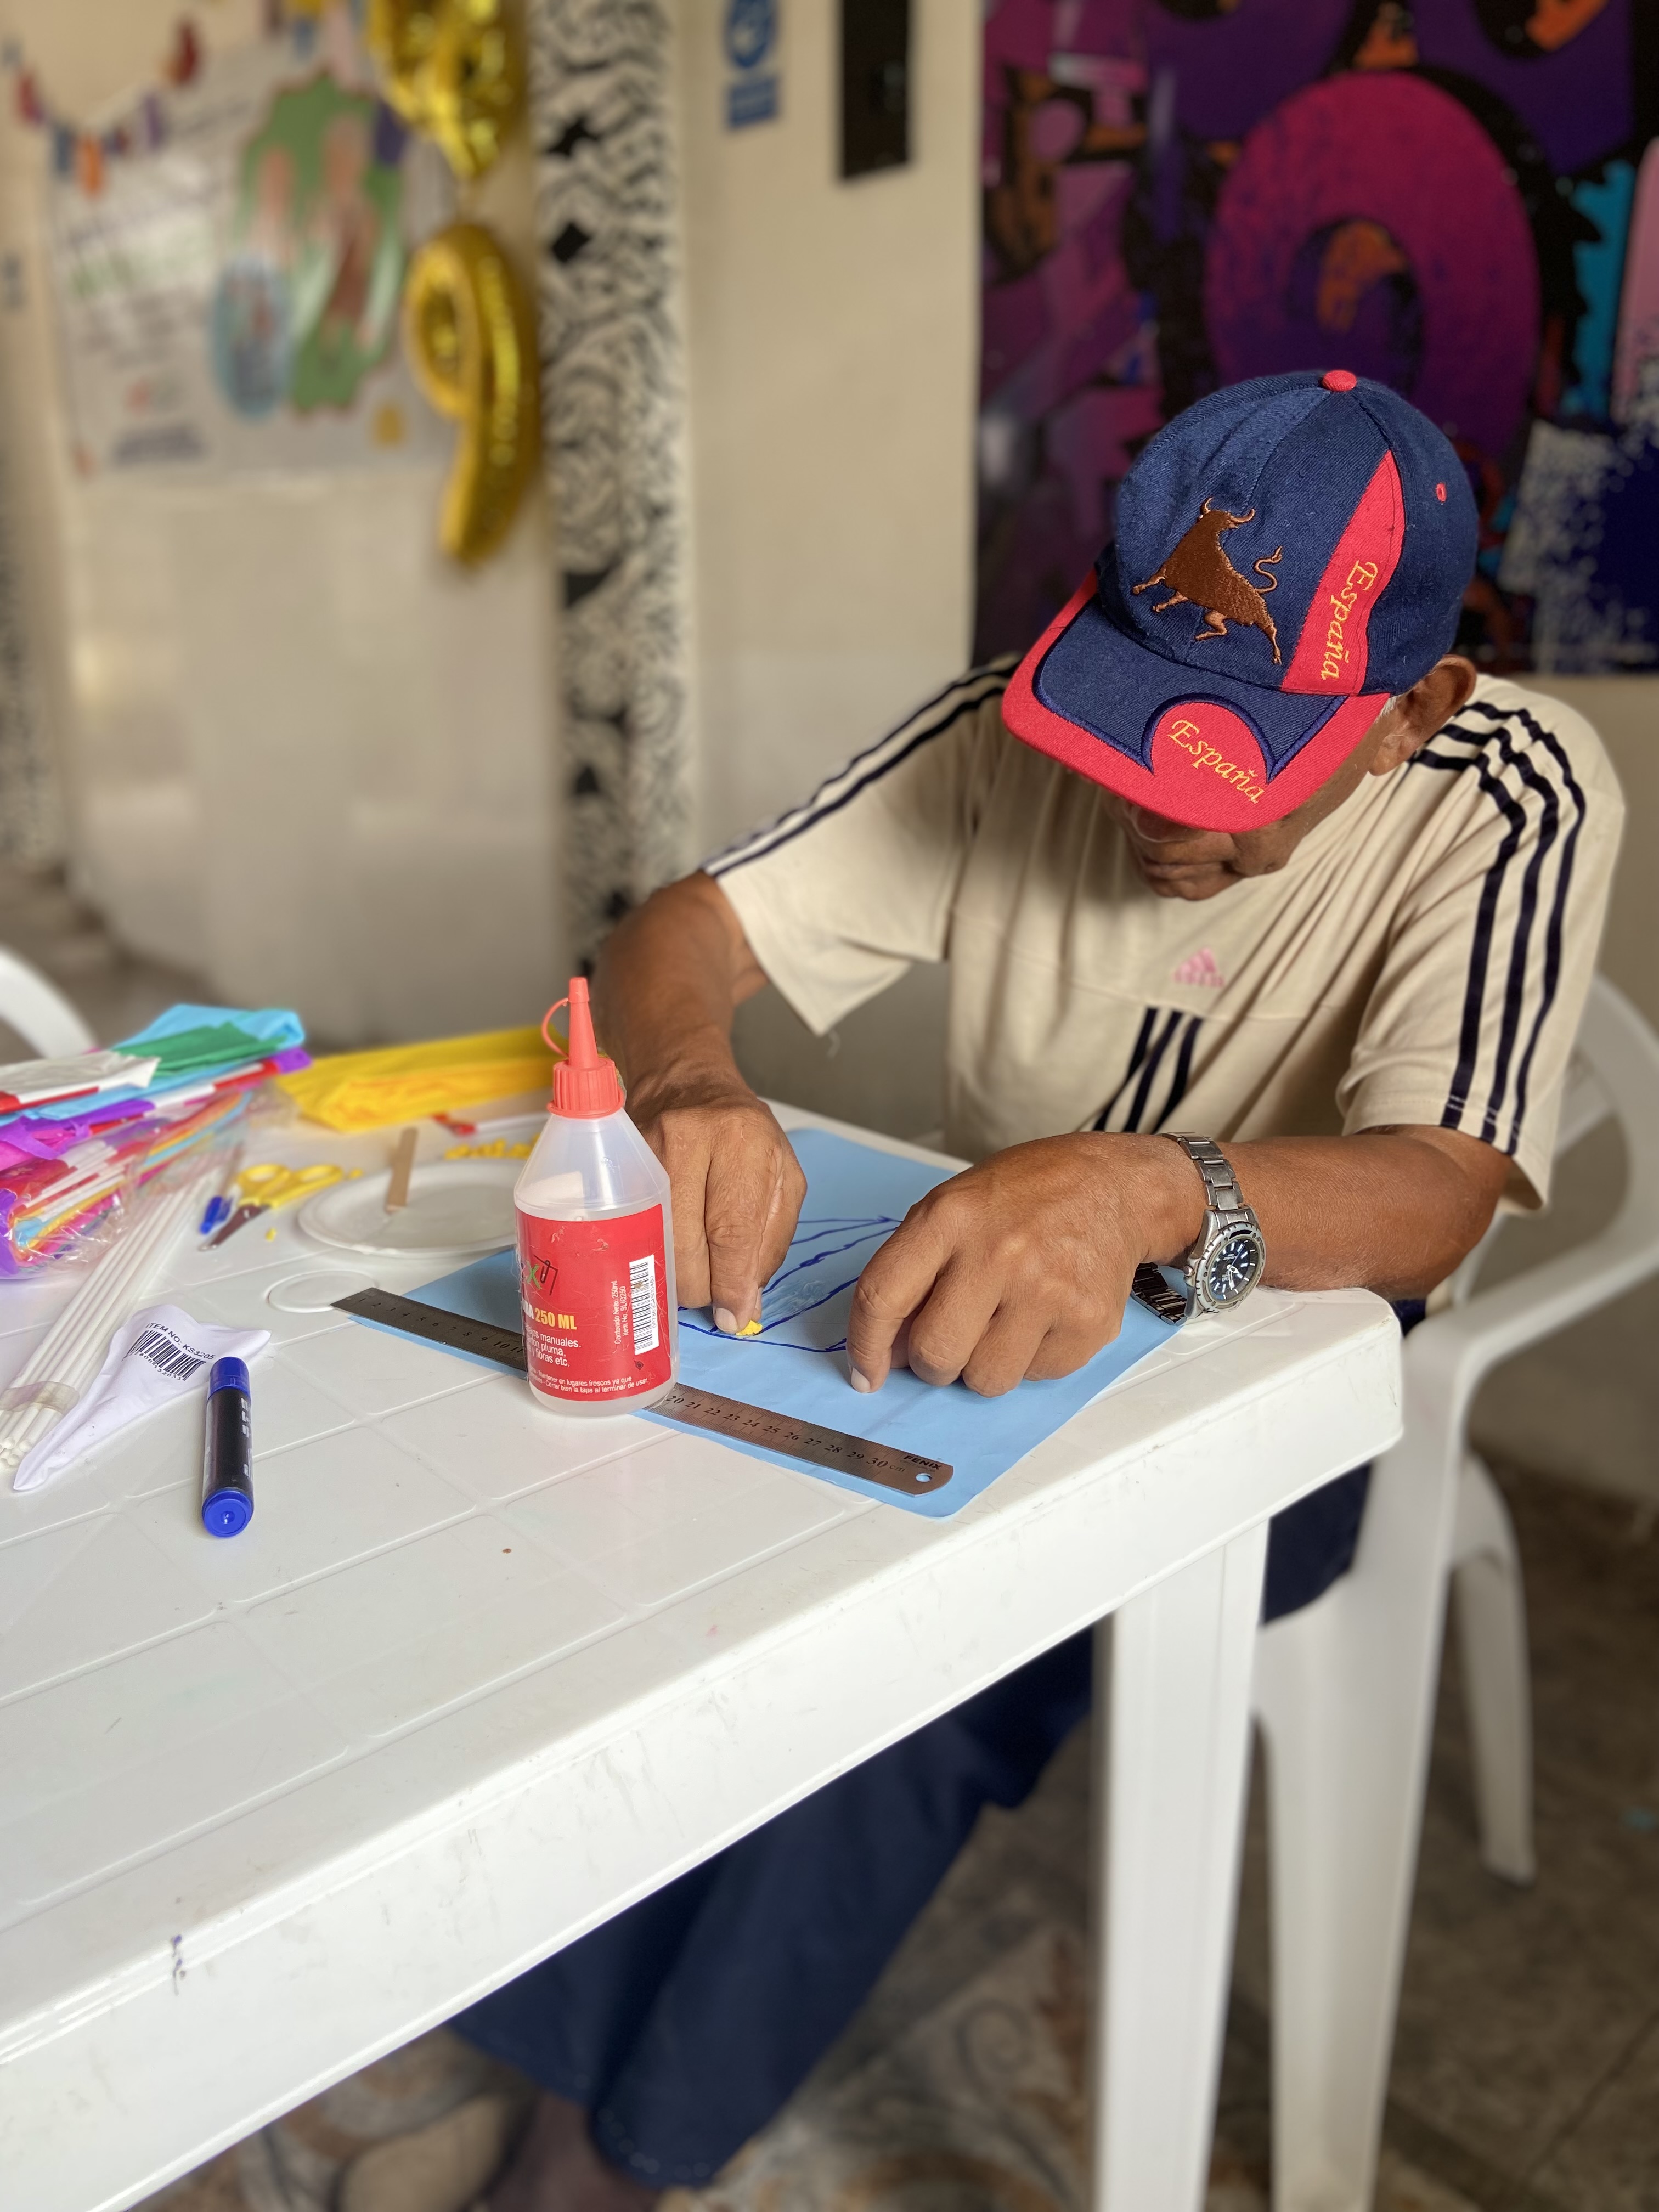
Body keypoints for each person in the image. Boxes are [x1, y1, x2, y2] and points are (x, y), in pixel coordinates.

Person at [444, 371, 1622, 2211]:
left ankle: (611, 2155)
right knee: (664, 1513)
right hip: (983, 1290)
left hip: (1284, 1370)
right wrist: (687, 1084)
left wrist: (1144, 1188)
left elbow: (1437, 1196)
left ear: (1410, 714)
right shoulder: (1012, 720)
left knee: (929, 1645)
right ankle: (549, 2056)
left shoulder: (1511, 787)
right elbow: (685, 931)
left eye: (1236, 786)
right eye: (1137, 737)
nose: (1161, 817)